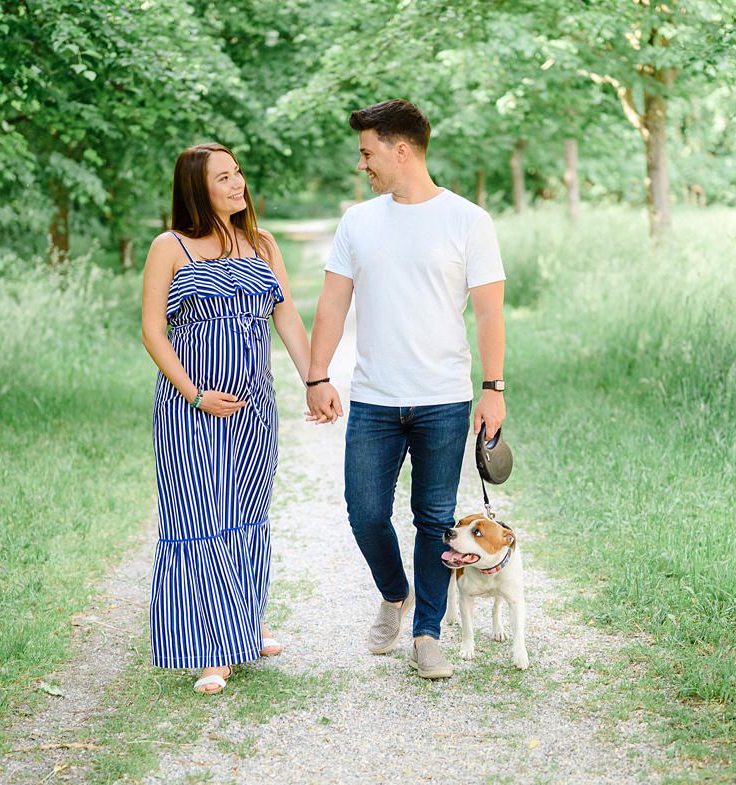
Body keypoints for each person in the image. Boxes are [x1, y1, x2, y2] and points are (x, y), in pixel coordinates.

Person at [305, 100, 506, 679]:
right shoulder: (357, 221)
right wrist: (317, 375)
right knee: (365, 512)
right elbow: (333, 304)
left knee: (433, 517)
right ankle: (396, 593)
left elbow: (490, 314)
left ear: (400, 150)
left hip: (444, 398)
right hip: (374, 397)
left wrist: (493, 388)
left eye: (367, 153)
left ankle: (427, 634)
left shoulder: (468, 220)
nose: (362, 164)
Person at [141, 143, 311, 694]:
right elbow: (152, 332)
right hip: (190, 410)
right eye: (223, 178)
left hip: (255, 408)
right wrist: (195, 395)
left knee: (248, 519)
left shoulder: (261, 243)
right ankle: (212, 650)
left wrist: (315, 381)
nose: (238, 184)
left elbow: (286, 316)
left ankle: (247, 625)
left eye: (238, 173)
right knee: (200, 521)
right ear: (197, 188)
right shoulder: (169, 247)